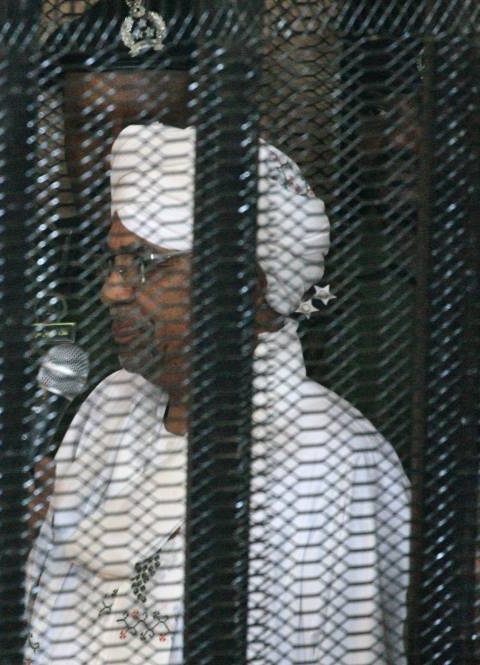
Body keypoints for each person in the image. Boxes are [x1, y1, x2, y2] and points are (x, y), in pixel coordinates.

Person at [23, 122, 410, 664]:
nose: (112, 290)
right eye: (115, 263)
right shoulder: (109, 406)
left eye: (145, 265)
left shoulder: (328, 456)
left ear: (242, 288)